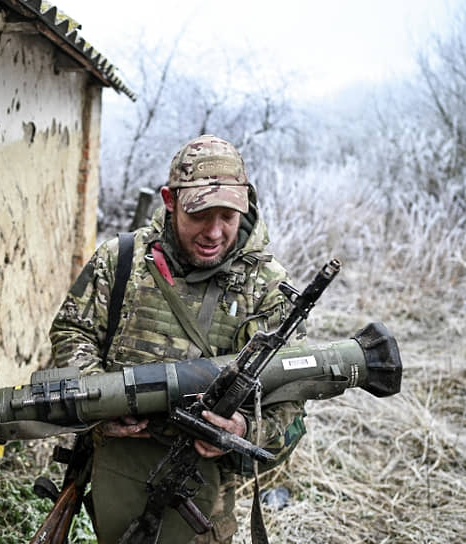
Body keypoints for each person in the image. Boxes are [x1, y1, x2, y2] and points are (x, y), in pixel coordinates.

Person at [49, 135, 307, 543]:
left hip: (201, 493)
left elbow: (290, 397)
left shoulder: (266, 289)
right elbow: (72, 331)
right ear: (170, 201)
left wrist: (242, 430)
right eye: (201, 215)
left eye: (228, 216)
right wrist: (100, 400)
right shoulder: (121, 262)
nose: (215, 232)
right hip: (115, 468)